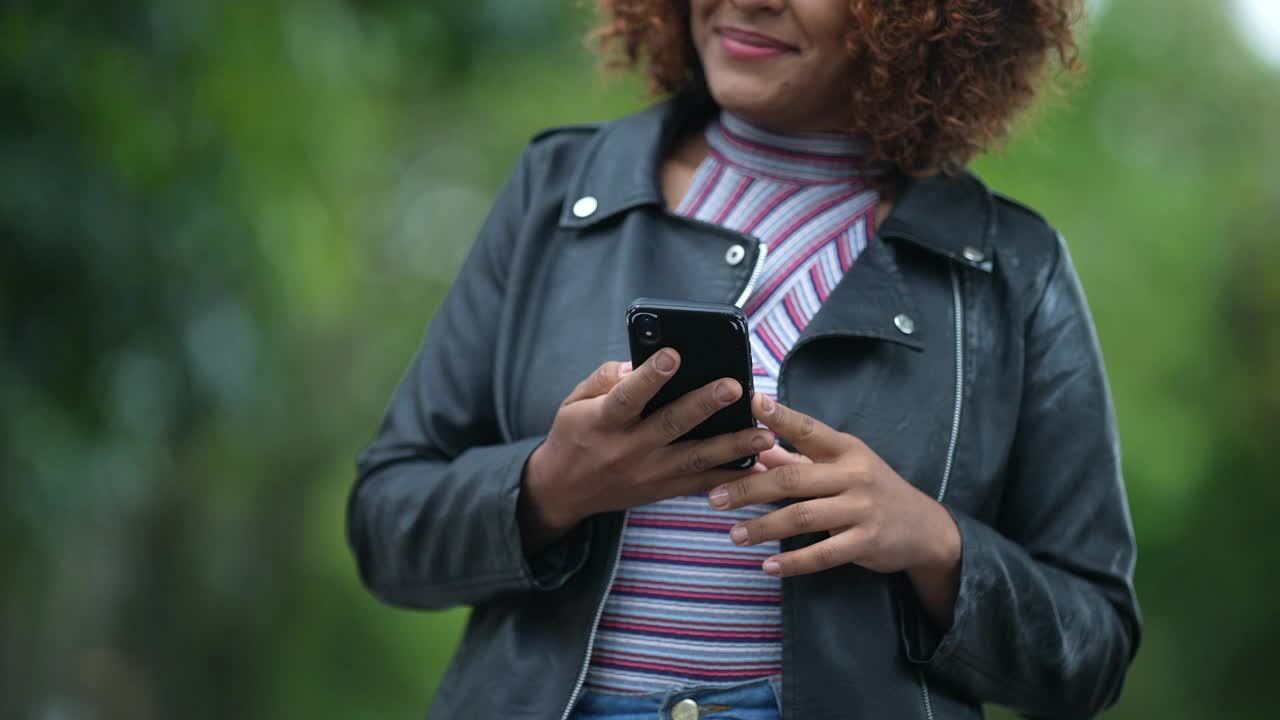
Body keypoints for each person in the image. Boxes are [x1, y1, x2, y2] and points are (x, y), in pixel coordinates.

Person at [346, 0, 1141, 717]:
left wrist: (936, 543)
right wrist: (551, 487)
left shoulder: (1014, 269)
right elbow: (385, 525)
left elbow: (1092, 650)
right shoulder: (555, 192)